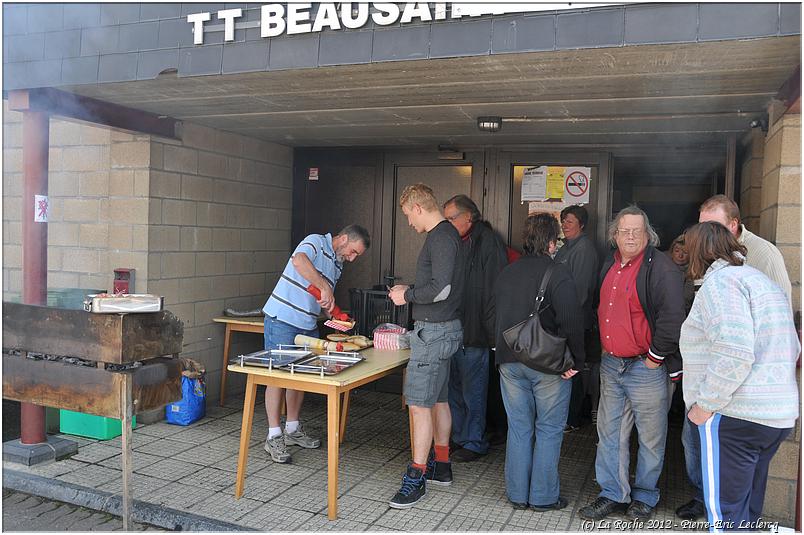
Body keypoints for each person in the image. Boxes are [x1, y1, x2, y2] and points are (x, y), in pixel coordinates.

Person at [677, 194, 793, 521]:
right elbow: (791, 345)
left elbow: (735, 350)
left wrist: (705, 404)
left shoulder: (722, 283)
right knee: (747, 513)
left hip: (735, 415)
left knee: (726, 517)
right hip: (774, 415)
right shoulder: (754, 279)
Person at [579, 205, 685, 522]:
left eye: (636, 231)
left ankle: (645, 496)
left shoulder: (661, 268)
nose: (630, 236)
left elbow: (673, 318)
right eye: (624, 230)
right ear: (614, 234)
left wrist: (655, 357)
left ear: (647, 234)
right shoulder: (608, 266)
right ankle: (613, 493)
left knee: (651, 437)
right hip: (612, 365)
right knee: (609, 433)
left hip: (645, 367)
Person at [493, 213, 585, 511]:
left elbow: (492, 315)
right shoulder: (558, 273)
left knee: (519, 427)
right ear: (550, 242)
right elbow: (571, 321)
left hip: (509, 360)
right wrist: (577, 361)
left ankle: (518, 494)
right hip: (547, 365)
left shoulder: (507, 272)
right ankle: (543, 497)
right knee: (548, 428)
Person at [261, 225, 370, 463]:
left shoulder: (337, 264)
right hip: (282, 319)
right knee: (277, 376)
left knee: (300, 376)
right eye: (352, 251)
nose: (352, 258)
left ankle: (292, 429)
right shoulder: (315, 241)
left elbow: (321, 295)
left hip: (307, 323)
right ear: (342, 239)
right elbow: (299, 261)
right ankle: (273, 435)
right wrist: (324, 286)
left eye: (356, 256)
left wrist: (336, 314)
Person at [387, 183, 465, 509]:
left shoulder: (441, 237)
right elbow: (438, 285)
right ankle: (441, 466)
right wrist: (413, 288)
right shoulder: (446, 237)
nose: (409, 223)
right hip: (443, 331)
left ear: (418, 208)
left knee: (419, 404)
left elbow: (442, 289)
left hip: (433, 333)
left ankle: (416, 477)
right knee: (439, 400)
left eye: (408, 215)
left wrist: (406, 294)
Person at [442, 194, 508, 462]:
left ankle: (474, 441)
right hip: (454, 329)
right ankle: (459, 437)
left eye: (451, 218)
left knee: (473, 392)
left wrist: (492, 334)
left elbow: (496, 291)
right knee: (454, 388)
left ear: (468, 217)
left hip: (476, 332)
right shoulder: (457, 241)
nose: (447, 224)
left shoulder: (488, 242)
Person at [554, 205, 600, 431]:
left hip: (574, 321)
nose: (565, 225)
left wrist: (564, 319)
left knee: (572, 370)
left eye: (570, 221)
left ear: (581, 224)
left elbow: (581, 293)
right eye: (563, 221)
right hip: (561, 318)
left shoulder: (584, 249)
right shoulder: (565, 248)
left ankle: (572, 418)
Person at [698, 194, 791, 301]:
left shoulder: (766, 254)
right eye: (701, 226)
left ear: (733, 225)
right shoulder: (706, 250)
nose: (703, 233)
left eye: (713, 227)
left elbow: (781, 306)